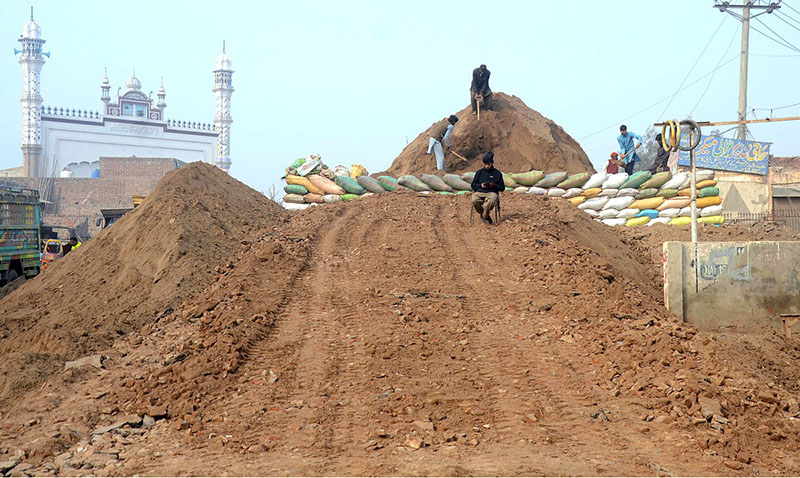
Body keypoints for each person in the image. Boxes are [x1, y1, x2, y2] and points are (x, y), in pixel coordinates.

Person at [471, 151, 505, 224]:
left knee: (491, 201)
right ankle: (486, 216)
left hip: (492, 193)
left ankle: (484, 216)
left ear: (492, 163)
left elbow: (502, 188)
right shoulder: (479, 172)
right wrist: (480, 185)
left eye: (488, 164)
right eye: (485, 164)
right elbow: (473, 185)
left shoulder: (497, 173)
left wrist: (493, 185)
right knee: (474, 200)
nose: (487, 166)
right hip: (480, 192)